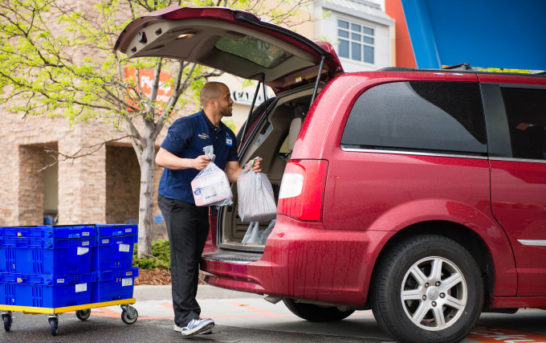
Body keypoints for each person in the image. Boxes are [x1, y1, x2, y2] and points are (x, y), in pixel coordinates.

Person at [155, 82, 262, 337]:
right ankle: (185, 319)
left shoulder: (226, 134)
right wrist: (191, 162)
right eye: (228, 98)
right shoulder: (187, 125)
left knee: (193, 257)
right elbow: (162, 157)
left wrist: (248, 173)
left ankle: (188, 316)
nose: (232, 102)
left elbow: (232, 171)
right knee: (185, 259)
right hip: (177, 199)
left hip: (203, 203)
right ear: (212, 101)